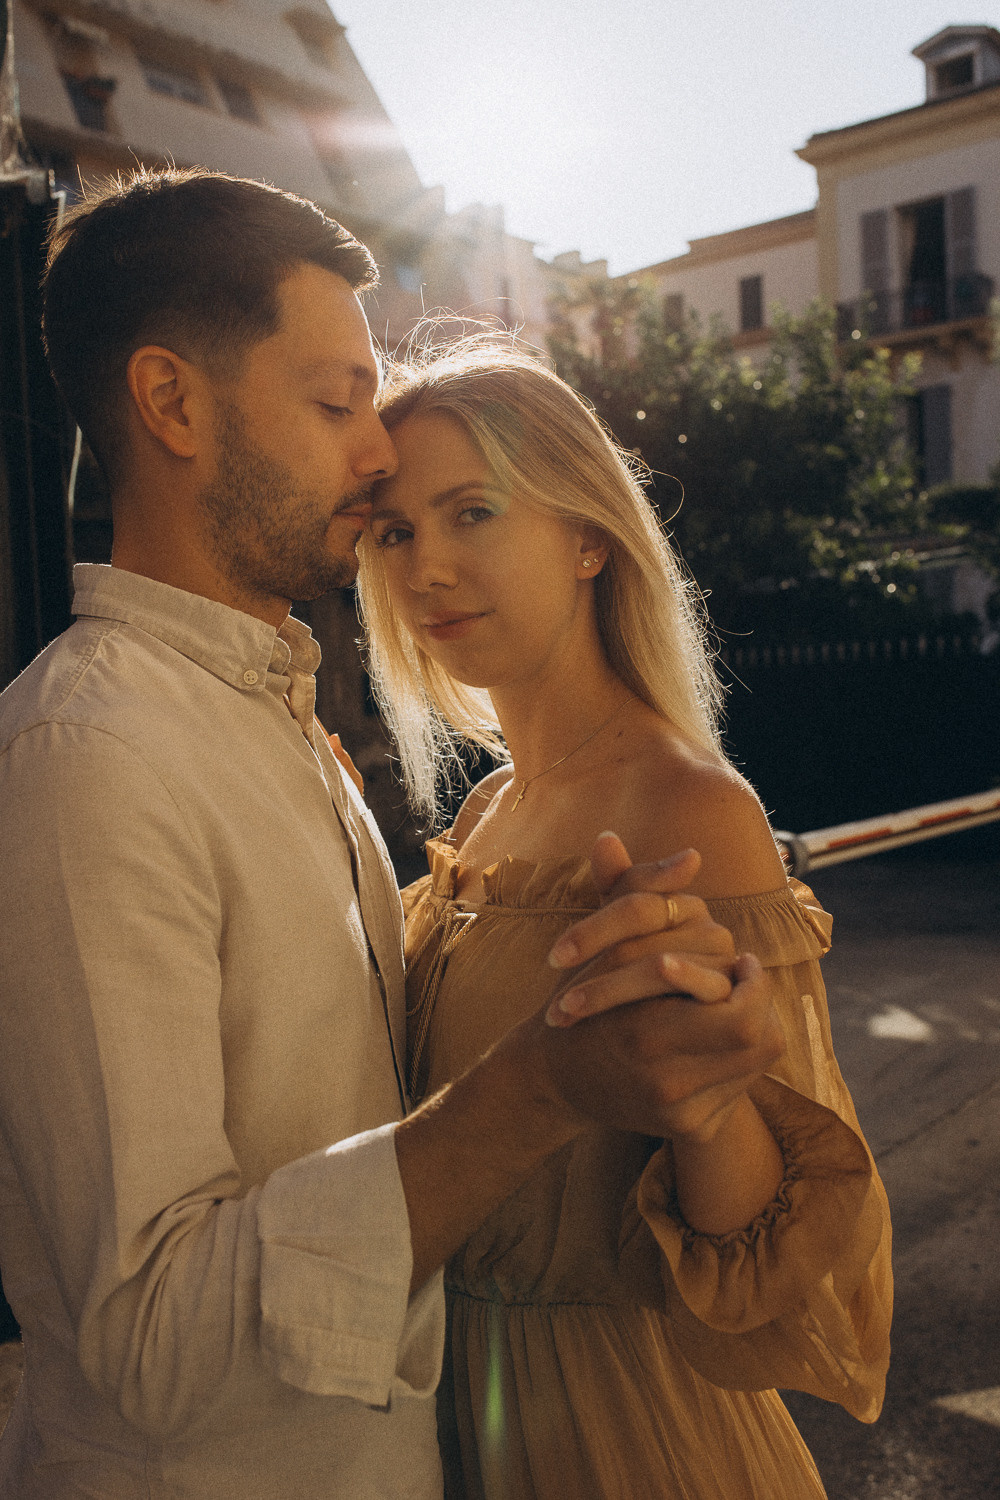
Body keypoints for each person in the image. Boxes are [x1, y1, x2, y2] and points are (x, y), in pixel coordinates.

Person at [0, 169, 785, 1499]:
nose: (377, 453)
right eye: (335, 400)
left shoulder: (281, 730)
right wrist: (540, 1088)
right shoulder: (93, 754)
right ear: (172, 402)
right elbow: (149, 1337)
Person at [356, 335, 894, 1500]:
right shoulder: (486, 812)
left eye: (471, 512)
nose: (426, 567)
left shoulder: (689, 809)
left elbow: (769, 1254)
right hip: (442, 1415)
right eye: (393, 532)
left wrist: (706, 1096)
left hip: (619, 1436)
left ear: (588, 538)